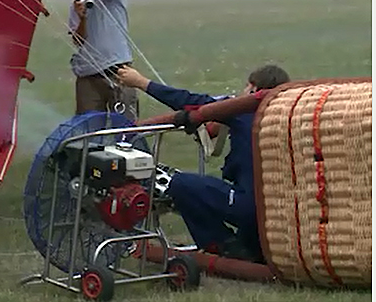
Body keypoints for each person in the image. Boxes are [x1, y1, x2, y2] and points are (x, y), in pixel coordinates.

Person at [116, 64, 291, 263]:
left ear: (252, 89)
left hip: (248, 206)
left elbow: (189, 102)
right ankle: (249, 248)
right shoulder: (288, 118)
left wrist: (140, 82)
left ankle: (222, 246)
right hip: (279, 210)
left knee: (180, 184)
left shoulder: (239, 110)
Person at [52, 0, 138, 121]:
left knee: (125, 129)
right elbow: (78, 41)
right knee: (88, 132)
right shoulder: (78, 4)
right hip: (88, 76)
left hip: (118, 71)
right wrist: (82, 17)